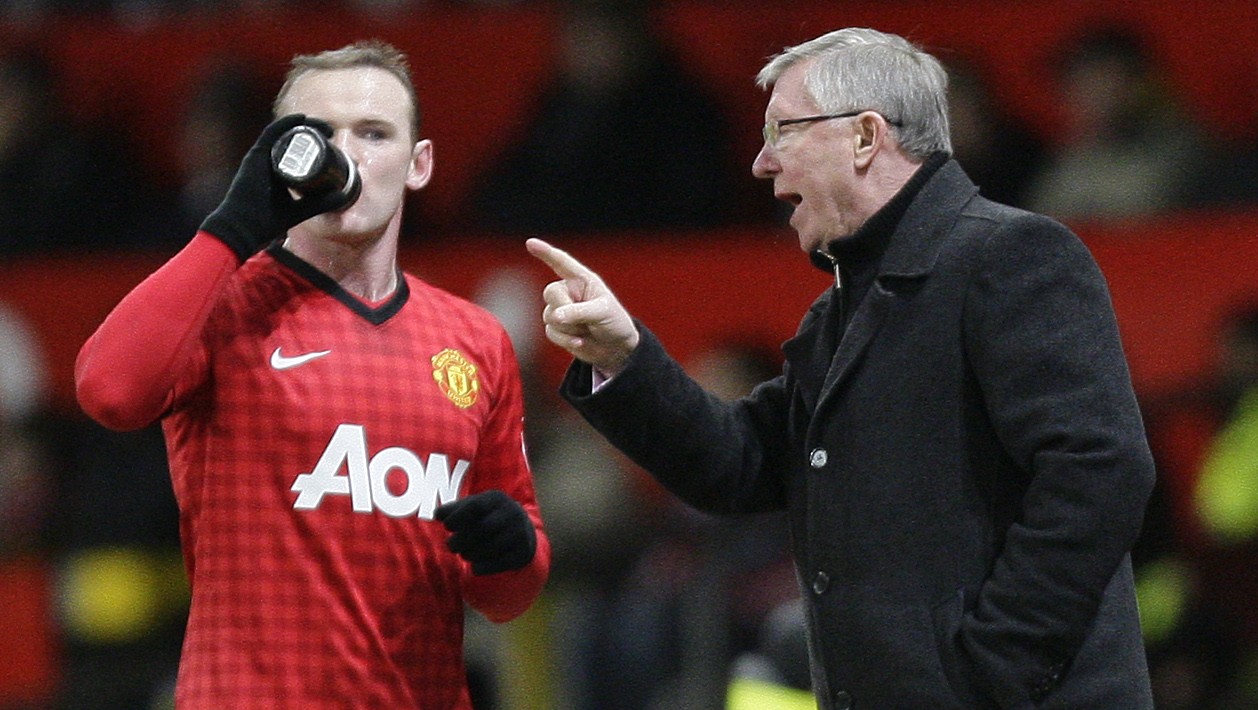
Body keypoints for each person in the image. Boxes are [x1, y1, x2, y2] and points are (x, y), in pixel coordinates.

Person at [528, 27, 1156, 710]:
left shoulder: (1014, 255)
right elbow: (738, 463)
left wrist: (991, 668)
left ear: (865, 137)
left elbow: (1098, 471)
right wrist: (624, 358)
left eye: (783, 132)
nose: (762, 164)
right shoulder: (843, 311)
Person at [74, 40, 549, 708]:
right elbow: (109, 392)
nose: (345, 154)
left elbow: (507, 596)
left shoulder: (476, 342)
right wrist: (231, 228)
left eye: (374, 134)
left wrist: (515, 549)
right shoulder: (223, 300)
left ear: (419, 165)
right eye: (318, 134)